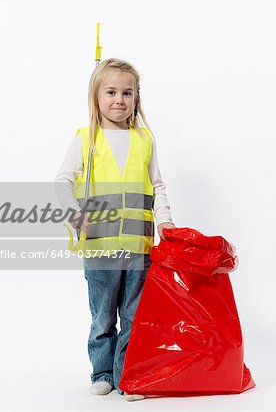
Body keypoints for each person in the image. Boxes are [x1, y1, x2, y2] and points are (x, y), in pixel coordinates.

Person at [55, 58, 176, 401]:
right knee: (104, 316)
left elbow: (158, 186)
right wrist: (74, 215)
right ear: (95, 96)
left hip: (139, 246)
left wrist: (165, 220)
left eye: (127, 92)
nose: (119, 99)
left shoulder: (144, 140)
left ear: (137, 98)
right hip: (100, 246)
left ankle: (128, 376)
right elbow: (61, 183)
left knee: (134, 315)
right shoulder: (85, 140)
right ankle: (103, 372)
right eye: (110, 92)